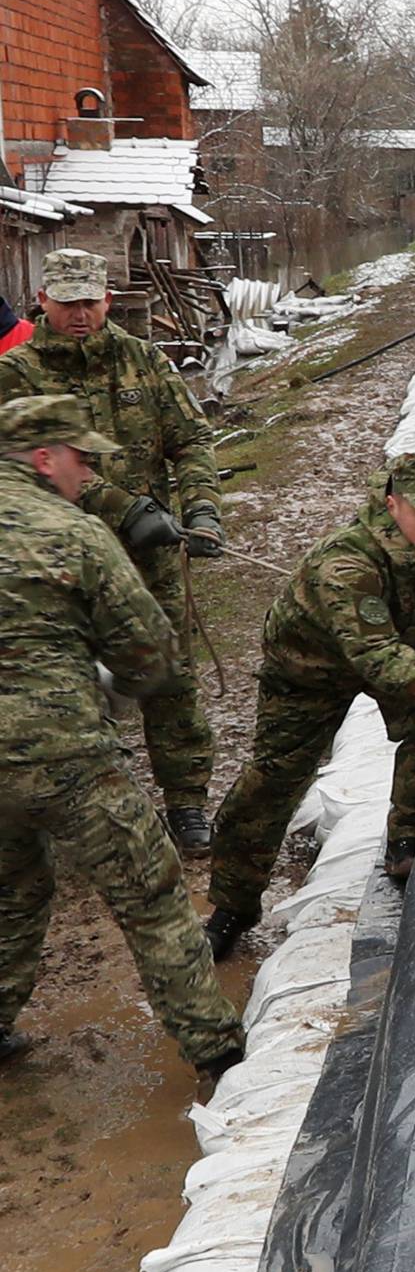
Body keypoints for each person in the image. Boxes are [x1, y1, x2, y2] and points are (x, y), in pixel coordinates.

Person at [0, 394, 245, 1088]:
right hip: (66, 757)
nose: (88, 476)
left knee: (10, 887)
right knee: (151, 896)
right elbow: (150, 654)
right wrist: (106, 681)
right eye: (81, 460)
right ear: (45, 460)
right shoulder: (74, 535)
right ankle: (217, 1053)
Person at [204, 453, 415, 958]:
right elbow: (377, 658)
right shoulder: (347, 563)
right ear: (392, 504)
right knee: (273, 782)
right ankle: (232, 906)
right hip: (309, 672)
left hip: (391, 650)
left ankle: (406, 845)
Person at [2, 247, 225, 854]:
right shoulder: (17, 373)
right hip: (55, 562)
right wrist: (122, 507)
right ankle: (93, 810)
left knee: (170, 675)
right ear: (43, 301)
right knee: (75, 682)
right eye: (68, 302)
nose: (81, 314)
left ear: (107, 299)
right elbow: (39, 465)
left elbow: (191, 440)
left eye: (91, 301)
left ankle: (186, 803)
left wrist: (201, 505)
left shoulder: (144, 358)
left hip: (152, 555)